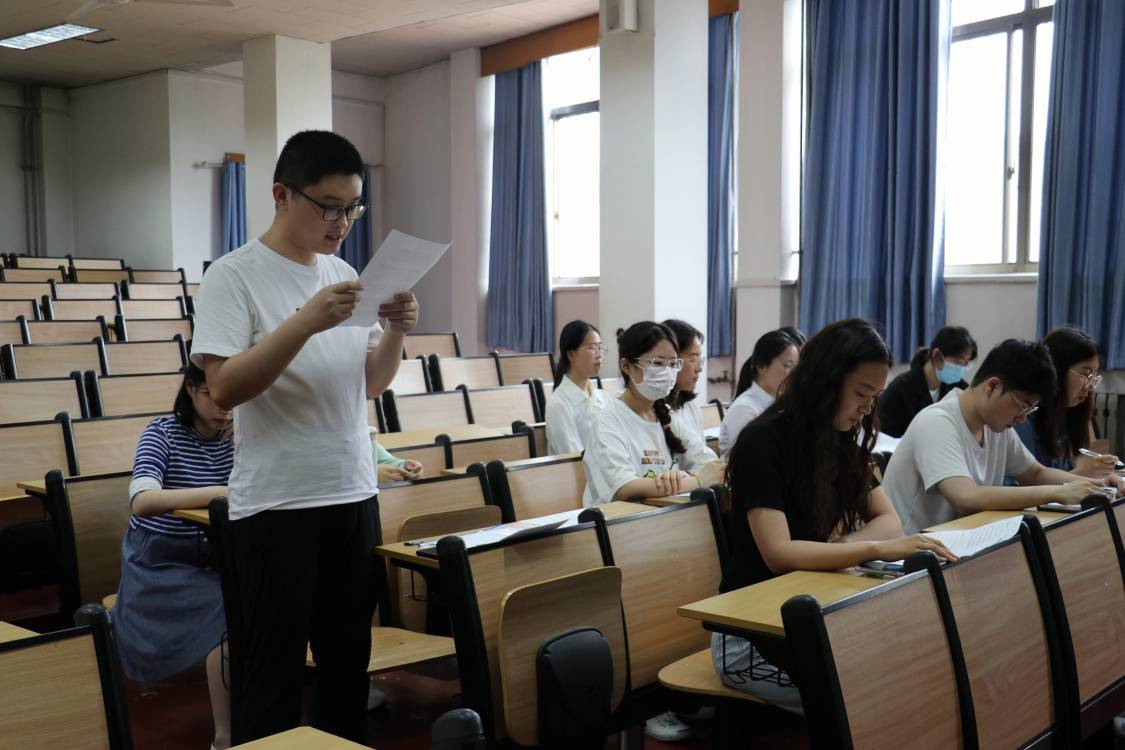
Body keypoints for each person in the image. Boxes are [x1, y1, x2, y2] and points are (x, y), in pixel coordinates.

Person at [191, 130, 419, 744]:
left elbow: (370, 383)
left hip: (351, 493)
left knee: (347, 671)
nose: (342, 223)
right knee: (272, 677)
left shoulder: (344, 272)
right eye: (329, 207)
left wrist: (397, 331)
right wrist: (304, 322)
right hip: (277, 505)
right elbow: (224, 389)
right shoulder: (233, 276)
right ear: (281, 195)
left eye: (353, 209)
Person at [717, 318, 956, 711]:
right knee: (869, 697)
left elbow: (889, 520)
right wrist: (870, 549)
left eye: (875, 397)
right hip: (747, 633)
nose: (867, 407)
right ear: (825, 381)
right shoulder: (762, 441)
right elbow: (779, 554)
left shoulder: (839, 440)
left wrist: (842, 546)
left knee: (915, 666)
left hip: (810, 605)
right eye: (861, 392)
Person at [112, 364, 234, 750]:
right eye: (212, 394)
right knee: (229, 610)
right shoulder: (162, 432)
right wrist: (221, 491)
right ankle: (226, 738)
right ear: (191, 388)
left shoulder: (240, 433)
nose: (224, 406)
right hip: (161, 563)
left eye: (232, 396)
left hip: (220, 556)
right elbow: (142, 500)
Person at [882, 339, 1119, 535]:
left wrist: (1093, 485)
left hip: (955, 543)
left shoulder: (995, 427)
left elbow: (1035, 473)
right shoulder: (937, 422)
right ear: (992, 387)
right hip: (908, 557)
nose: (1022, 418)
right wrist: (1058, 492)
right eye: (1022, 406)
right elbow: (965, 496)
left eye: (1030, 410)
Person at [583, 321, 725, 507]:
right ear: (627, 366)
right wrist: (696, 481)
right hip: (621, 520)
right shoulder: (608, 419)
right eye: (658, 363)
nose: (668, 372)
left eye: (673, 364)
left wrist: (686, 476)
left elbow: (710, 463)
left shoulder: (663, 413)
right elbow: (625, 487)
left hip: (661, 514)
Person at [1015, 327, 1118, 476]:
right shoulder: (1022, 418)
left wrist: (1103, 476)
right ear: (1057, 370)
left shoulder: (1064, 415)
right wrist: (1081, 474)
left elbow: (1065, 470)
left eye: (1094, 377)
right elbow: (1022, 485)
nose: (1090, 387)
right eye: (1085, 374)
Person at [878, 326, 978, 438]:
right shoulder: (900, 389)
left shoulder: (958, 388)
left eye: (965, 364)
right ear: (937, 355)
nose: (961, 369)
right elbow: (886, 438)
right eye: (958, 362)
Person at [719, 330, 800, 455]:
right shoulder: (744, 409)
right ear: (761, 366)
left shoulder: (784, 404)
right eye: (787, 366)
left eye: (795, 368)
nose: (792, 375)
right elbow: (758, 454)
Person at [662, 319, 722, 471]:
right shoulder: (653, 409)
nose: (699, 369)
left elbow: (701, 458)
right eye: (693, 359)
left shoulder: (691, 408)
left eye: (699, 360)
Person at [544, 320, 611, 454]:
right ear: (571, 354)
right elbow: (573, 457)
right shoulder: (558, 404)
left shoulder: (604, 397)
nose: (599, 354)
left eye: (600, 347)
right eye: (592, 348)